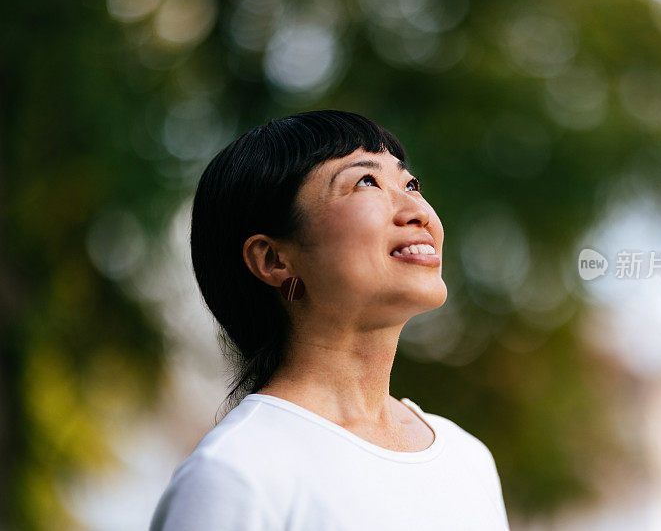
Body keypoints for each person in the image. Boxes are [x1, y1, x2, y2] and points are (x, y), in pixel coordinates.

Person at [149, 110, 510, 530]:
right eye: (366, 182)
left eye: (411, 183)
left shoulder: (467, 459)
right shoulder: (236, 474)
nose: (417, 210)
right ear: (273, 259)